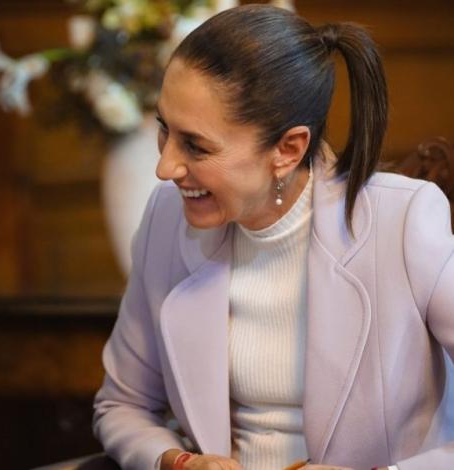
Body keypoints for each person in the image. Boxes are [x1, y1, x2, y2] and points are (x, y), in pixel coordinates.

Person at [94, 4, 454, 470]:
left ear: (288, 149)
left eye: (196, 145)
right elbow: (122, 405)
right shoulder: (166, 218)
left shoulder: (404, 220)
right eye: (165, 129)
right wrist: (176, 461)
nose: (164, 168)